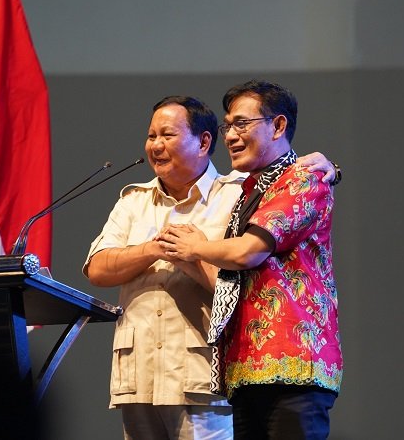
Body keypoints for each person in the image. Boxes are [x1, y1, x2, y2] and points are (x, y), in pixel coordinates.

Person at [83, 95, 338, 440]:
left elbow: (246, 263)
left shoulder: (237, 194)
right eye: (151, 135)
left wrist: (192, 251)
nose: (155, 145)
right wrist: (154, 249)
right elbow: (97, 268)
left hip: (206, 375)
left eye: (167, 135)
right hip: (143, 376)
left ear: (204, 142)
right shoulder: (133, 200)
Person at [159, 80, 343, 440]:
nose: (230, 135)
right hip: (245, 368)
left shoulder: (302, 179)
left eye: (241, 124)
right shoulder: (249, 190)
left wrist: (196, 246)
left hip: (293, 366)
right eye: (228, 126)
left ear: (278, 126)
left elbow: (247, 251)